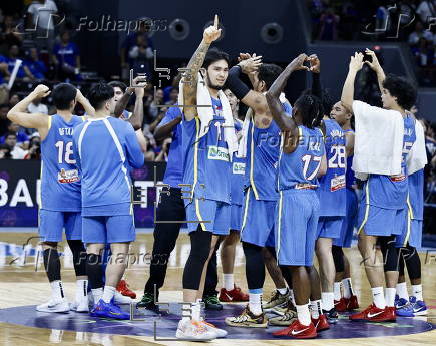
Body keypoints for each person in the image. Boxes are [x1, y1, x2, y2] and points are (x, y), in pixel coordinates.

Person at [342, 49, 417, 322]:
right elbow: (395, 95)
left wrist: (353, 70)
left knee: (366, 243)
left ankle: (379, 303)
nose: (381, 94)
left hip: (382, 185)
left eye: (385, 93)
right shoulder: (410, 119)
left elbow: (347, 103)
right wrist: (378, 72)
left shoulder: (386, 118)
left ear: (394, 98)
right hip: (401, 186)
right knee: (388, 247)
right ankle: (388, 302)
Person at [7, 83, 94, 312]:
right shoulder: (84, 122)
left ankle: (59, 298)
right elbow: (102, 119)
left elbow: (12, 114)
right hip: (78, 194)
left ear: (52, 102)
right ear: (74, 102)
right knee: (78, 246)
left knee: (48, 245)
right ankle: (84, 299)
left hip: (53, 196)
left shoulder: (46, 121)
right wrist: (83, 99)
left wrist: (34, 95)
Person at [224, 53, 294, 327]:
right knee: (276, 252)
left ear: (264, 86)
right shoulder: (283, 106)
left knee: (252, 247)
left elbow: (231, 79)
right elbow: (257, 94)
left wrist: (241, 68)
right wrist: (255, 74)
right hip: (278, 190)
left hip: (259, 188)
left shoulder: (264, 104)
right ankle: (292, 301)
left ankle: (254, 310)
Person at [175, 15, 231, 340]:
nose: (222, 74)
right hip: (201, 186)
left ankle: (196, 317)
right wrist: (205, 42)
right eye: (217, 69)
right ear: (205, 71)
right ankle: (185, 321)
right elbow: (186, 81)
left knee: (207, 254)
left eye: (225, 69)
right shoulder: (195, 103)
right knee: (198, 251)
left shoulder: (224, 103)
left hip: (222, 188)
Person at [265, 53, 327, 339]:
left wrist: (291, 65)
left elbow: (271, 95)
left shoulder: (292, 130)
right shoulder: (320, 133)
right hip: (313, 197)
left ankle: (302, 323)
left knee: (294, 263)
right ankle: (317, 316)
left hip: (292, 198)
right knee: (307, 261)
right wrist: (314, 75)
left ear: (298, 114)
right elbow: (323, 169)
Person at [72, 82, 144, 320]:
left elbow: (80, 166)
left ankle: (96, 296)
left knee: (93, 250)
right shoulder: (120, 127)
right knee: (120, 250)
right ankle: (105, 300)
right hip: (117, 197)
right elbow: (138, 161)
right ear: (106, 103)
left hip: (89, 196)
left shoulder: (78, 130)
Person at [218, 88, 249, 304]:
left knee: (232, 237)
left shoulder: (245, 125)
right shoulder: (217, 124)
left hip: (241, 187)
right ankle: (209, 286)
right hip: (222, 186)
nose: (229, 98)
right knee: (214, 240)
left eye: (231, 94)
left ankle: (228, 287)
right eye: (224, 95)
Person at [330, 101, 360, 312]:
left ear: (349, 114)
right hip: (336, 193)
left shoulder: (350, 135)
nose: (332, 112)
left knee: (333, 248)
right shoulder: (336, 133)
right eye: (331, 109)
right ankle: (348, 295)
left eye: (338, 109)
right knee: (336, 248)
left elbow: (344, 151)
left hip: (345, 194)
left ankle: (334, 295)